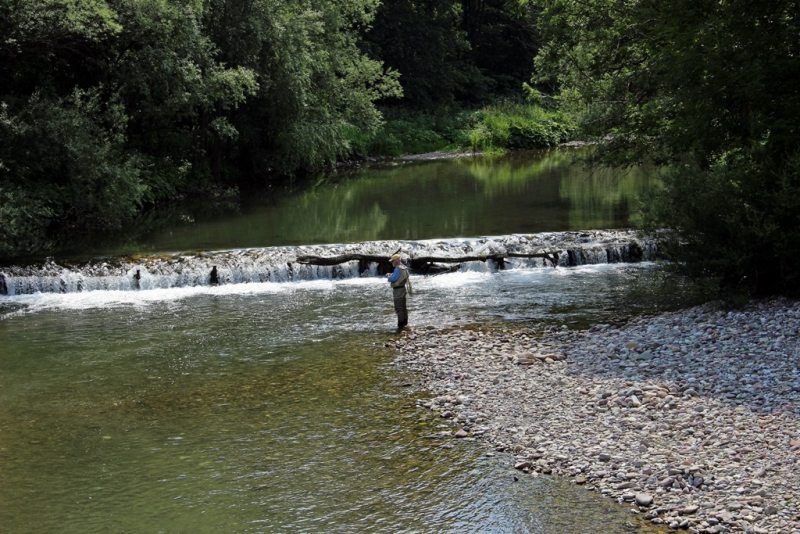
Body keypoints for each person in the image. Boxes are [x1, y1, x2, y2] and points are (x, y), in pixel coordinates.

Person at [386, 253, 410, 330]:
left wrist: (389, 276)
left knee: (399, 308)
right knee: (403, 307)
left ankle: (400, 326)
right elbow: (399, 276)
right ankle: (405, 323)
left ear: (396, 261)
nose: (392, 262)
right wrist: (392, 274)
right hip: (403, 288)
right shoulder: (404, 267)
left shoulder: (397, 269)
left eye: (392, 261)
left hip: (398, 290)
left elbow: (392, 279)